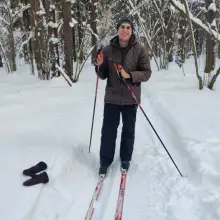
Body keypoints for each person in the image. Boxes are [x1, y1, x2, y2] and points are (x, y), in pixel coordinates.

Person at [95, 17, 152, 176]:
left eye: (128, 27)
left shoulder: (139, 49)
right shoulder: (107, 50)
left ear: (131, 30)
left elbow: (147, 73)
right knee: (108, 131)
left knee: (128, 130)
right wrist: (99, 65)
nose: (125, 30)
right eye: (122, 27)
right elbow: (103, 75)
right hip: (112, 97)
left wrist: (129, 75)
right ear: (118, 29)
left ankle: (125, 159)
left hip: (131, 97)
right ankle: (105, 162)